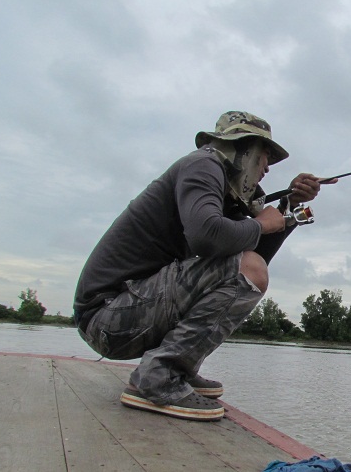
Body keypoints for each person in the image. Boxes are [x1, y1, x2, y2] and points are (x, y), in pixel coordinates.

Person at [73, 111, 333, 421]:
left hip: (123, 316)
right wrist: (262, 224)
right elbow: (210, 238)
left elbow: (250, 260)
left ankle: (176, 368)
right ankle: (158, 376)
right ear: (244, 148)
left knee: (249, 269)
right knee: (248, 270)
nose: (267, 168)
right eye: (265, 157)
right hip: (107, 319)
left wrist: (287, 207)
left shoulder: (219, 191)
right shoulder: (203, 164)